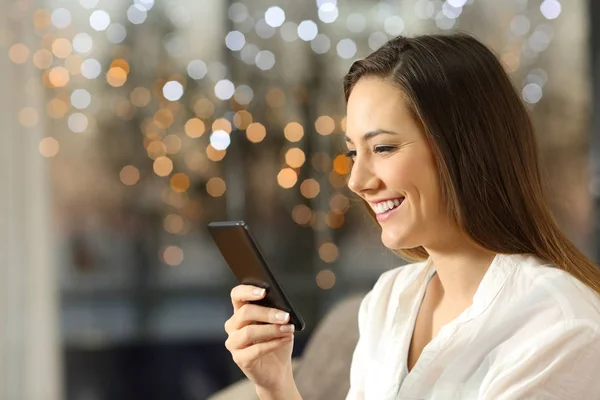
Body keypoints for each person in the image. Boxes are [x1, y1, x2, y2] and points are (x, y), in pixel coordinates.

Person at [223, 33, 600, 399]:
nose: (357, 181)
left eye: (383, 148)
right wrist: (276, 385)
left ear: (466, 149)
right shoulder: (389, 299)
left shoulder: (559, 327)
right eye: (355, 152)